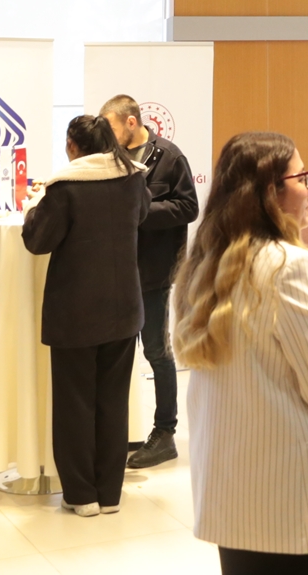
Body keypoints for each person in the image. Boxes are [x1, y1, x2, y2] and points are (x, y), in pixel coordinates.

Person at [173, 132, 308, 574]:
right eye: (302, 178)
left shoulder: (202, 264)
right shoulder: (289, 266)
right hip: (292, 494)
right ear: (270, 193)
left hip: (229, 488)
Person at [22, 114, 149, 516]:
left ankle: (80, 495)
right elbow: (141, 216)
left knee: (74, 403)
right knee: (113, 402)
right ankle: (109, 494)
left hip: (76, 312)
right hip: (124, 307)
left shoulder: (66, 185)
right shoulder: (133, 178)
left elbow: (37, 240)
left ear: (72, 146)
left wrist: (33, 207)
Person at [99, 93, 199, 470]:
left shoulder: (169, 157)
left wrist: (141, 212)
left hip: (154, 271)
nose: (108, 137)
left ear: (131, 122)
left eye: (111, 128)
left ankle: (165, 433)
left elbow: (189, 207)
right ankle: (123, 430)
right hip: (118, 270)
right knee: (120, 353)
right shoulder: (112, 157)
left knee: (157, 350)